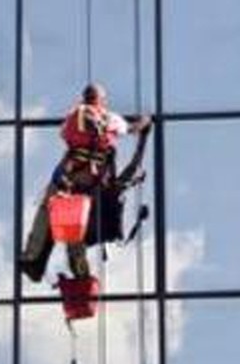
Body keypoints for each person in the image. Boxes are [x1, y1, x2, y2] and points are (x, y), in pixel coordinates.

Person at [19, 83, 152, 282]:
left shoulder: (82, 114)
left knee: (53, 217)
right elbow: (131, 128)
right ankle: (74, 270)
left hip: (71, 179)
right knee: (70, 226)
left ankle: (37, 261)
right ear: (101, 99)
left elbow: (67, 132)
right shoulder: (106, 118)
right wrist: (145, 122)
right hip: (81, 183)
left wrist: (142, 124)